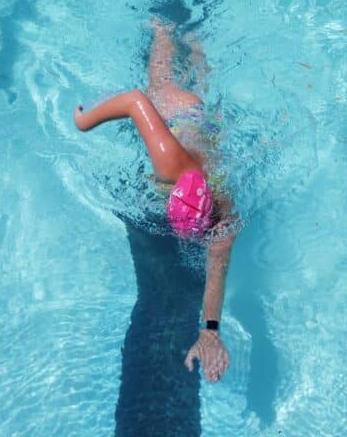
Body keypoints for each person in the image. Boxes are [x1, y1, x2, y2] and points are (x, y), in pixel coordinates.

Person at [74, 20, 236, 384]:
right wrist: (83, 122)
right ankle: (168, 33)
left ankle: (182, 37)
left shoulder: (178, 172)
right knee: (161, 86)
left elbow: (135, 101)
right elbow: (134, 100)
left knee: (185, 88)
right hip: (180, 116)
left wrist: (210, 330)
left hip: (203, 123)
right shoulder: (192, 183)